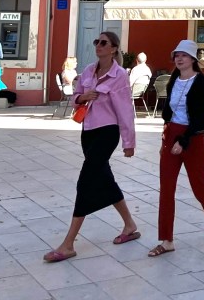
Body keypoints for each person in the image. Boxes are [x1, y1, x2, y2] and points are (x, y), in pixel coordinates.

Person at [44, 31, 138, 263]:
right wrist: (83, 96)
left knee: (85, 182)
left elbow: (126, 110)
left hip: (108, 131)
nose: (99, 45)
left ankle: (68, 244)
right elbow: (74, 97)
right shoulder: (88, 71)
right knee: (104, 178)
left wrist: (129, 142)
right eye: (97, 42)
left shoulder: (119, 76)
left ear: (114, 48)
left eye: (104, 43)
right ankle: (130, 225)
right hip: (88, 131)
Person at [148, 40, 204, 257]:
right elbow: (169, 111)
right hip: (171, 134)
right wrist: (167, 138)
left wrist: (182, 141)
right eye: (176, 55)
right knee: (166, 189)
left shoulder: (201, 82)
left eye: (184, 55)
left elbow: (199, 119)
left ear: (193, 58)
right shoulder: (174, 78)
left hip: (193, 137)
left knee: (198, 185)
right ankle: (166, 241)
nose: (179, 58)